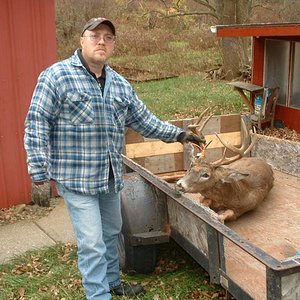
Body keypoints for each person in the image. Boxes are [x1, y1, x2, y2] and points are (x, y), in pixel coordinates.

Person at [24, 17, 204, 300]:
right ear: (82, 40)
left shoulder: (120, 85)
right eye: (95, 35)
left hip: (109, 177)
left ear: (113, 45)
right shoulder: (56, 77)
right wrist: (38, 174)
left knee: (111, 232)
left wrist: (180, 135)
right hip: (77, 180)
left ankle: (111, 282)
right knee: (93, 243)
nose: (101, 41)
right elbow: (36, 124)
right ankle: (98, 295)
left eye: (108, 37)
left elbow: (145, 120)